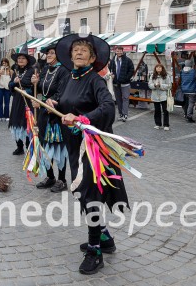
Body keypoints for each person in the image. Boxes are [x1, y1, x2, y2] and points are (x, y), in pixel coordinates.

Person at [55, 33, 127, 275]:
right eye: (75, 50)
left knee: (91, 194)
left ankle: (95, 250)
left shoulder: (95, 80)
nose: (78, 53)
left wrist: (84, 119)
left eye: (83, 50)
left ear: (93, 57)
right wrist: (53, 105)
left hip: (92, 148)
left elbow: (107, 107)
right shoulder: (70, 78)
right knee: (82, 193)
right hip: (75, 147)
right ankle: (104, 237)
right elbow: (66, 103)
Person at [31, 41, 70, 192]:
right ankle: (50, 176)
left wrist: (41, 103)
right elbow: (41, 89)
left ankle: (62, 179)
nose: (48, 55)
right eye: (47, 53)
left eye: (52, 53)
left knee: (58, 148)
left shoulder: (64, 71)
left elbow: (61, 93)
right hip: (44, 115)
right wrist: (35, 82)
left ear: (59, 55)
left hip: (56, 115)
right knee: (44, 146)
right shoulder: (47, 69)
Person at [8, 52, 36, 155]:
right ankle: (19, 147)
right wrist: (14, 82)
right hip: (17, 101)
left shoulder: (32, 71)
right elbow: (10, 86)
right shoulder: (15, 71)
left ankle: (29, 147)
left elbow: (35, 88)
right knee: (16, 123)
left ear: (27, 60)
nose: (20, 60)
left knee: (26, 124)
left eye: (23, 58)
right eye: (19, 58)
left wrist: (27, 91)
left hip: (27, 101)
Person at [108, 47, 134, 122]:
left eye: (120, 51)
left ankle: (125, 114)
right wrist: (111, 75)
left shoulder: (127, 60)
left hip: (125, 83)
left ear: (122, 51)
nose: (118, 52)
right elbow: (110, 70)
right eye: (117, 51)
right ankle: (121, 114)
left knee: (125, 98)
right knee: (118, 99)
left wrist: (126, 78)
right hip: (116, 83)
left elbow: (131, 70)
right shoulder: (113, 60)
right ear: (115, 51)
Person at [150, 63, 171, 130]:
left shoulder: (166, 76)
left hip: (163, 96)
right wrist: (155, 85)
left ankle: (166, 125)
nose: (158, 68)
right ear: (155, 69)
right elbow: (150, 84)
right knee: (157, 110)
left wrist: (161, 85)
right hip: (155, 95)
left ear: (162, 69)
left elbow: (169, 85)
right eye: (157, 67)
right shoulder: (152, 76)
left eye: (160, 67)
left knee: (165, 110)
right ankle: (158, 124)